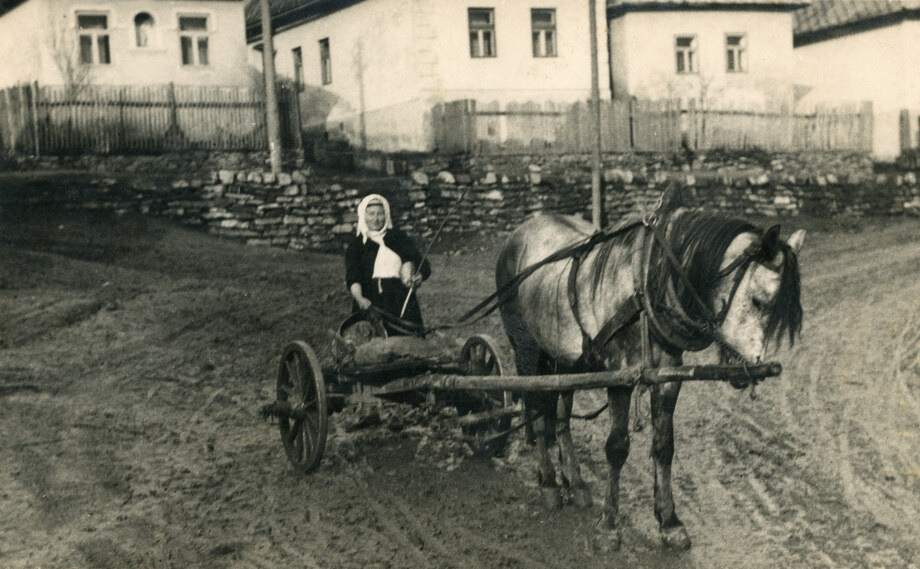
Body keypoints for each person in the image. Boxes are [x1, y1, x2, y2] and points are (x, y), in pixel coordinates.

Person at [345, 194, 431, 336]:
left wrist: (419, 276)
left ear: (386, 215)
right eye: (371, 214)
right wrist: (360, 299)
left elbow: (423, 264)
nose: (376, 219)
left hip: (401, 300)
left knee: (410, 344)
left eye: (380, 213)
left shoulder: (398, 238)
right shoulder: (356, 245)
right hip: (371, 302)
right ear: (363, 215)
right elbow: (353, 277)